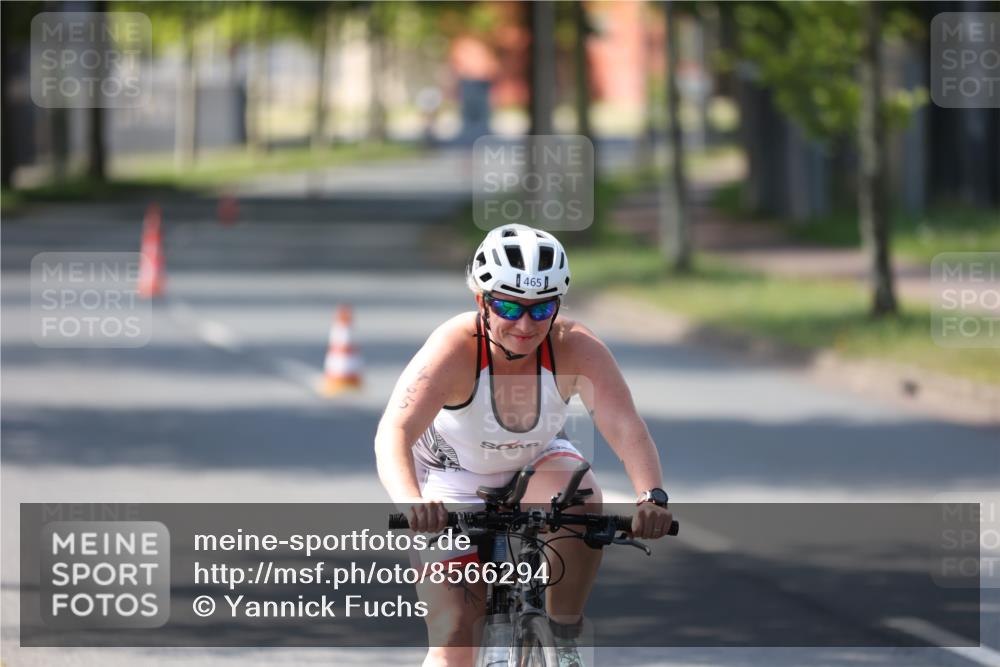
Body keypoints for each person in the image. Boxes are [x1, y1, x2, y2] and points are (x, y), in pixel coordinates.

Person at [375, 224, 673, 667]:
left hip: (538, 463)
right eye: (509, 306)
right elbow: (393, 432)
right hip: (452, 478)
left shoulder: (576, 347)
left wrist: (652, 496)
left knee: (581, 495)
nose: (525, 324)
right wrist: (412, 502)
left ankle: (562, 636)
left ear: (558, 305)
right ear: (482, 301)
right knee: (455, 636)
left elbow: (625, 425)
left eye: (542, 308)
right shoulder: (455, 349)